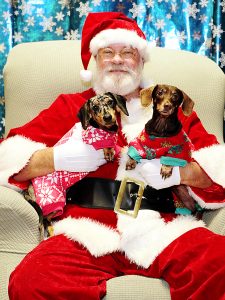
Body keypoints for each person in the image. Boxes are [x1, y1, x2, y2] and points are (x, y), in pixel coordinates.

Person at [1, 11, 225, 300]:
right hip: (86, 231)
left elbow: (217, 173)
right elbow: (9, 159)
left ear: (141, 61)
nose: (117, 60)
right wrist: (59, 158)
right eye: (108, 52)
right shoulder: (71, 106)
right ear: (95, 60)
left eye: (128, 52)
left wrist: (182, 173)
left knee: (219, 263)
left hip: (162, 228)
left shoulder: (172, 109)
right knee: (32, 280)